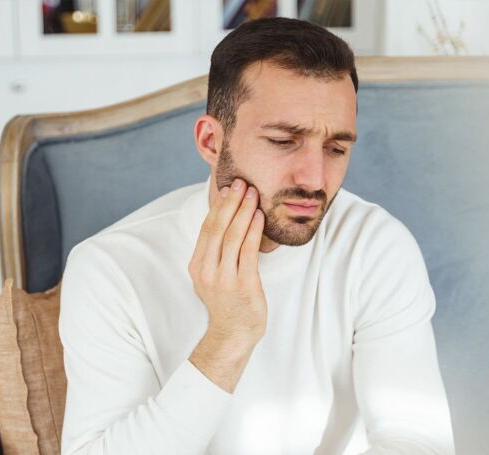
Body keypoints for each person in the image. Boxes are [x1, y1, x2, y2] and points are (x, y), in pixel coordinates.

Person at [58, 17, 455, 454]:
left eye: (336, 148)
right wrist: (228, 338)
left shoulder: (376, 247)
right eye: (284, 141)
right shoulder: (110, 269)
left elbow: (417, 440)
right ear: (211, 141)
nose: (315, 178)